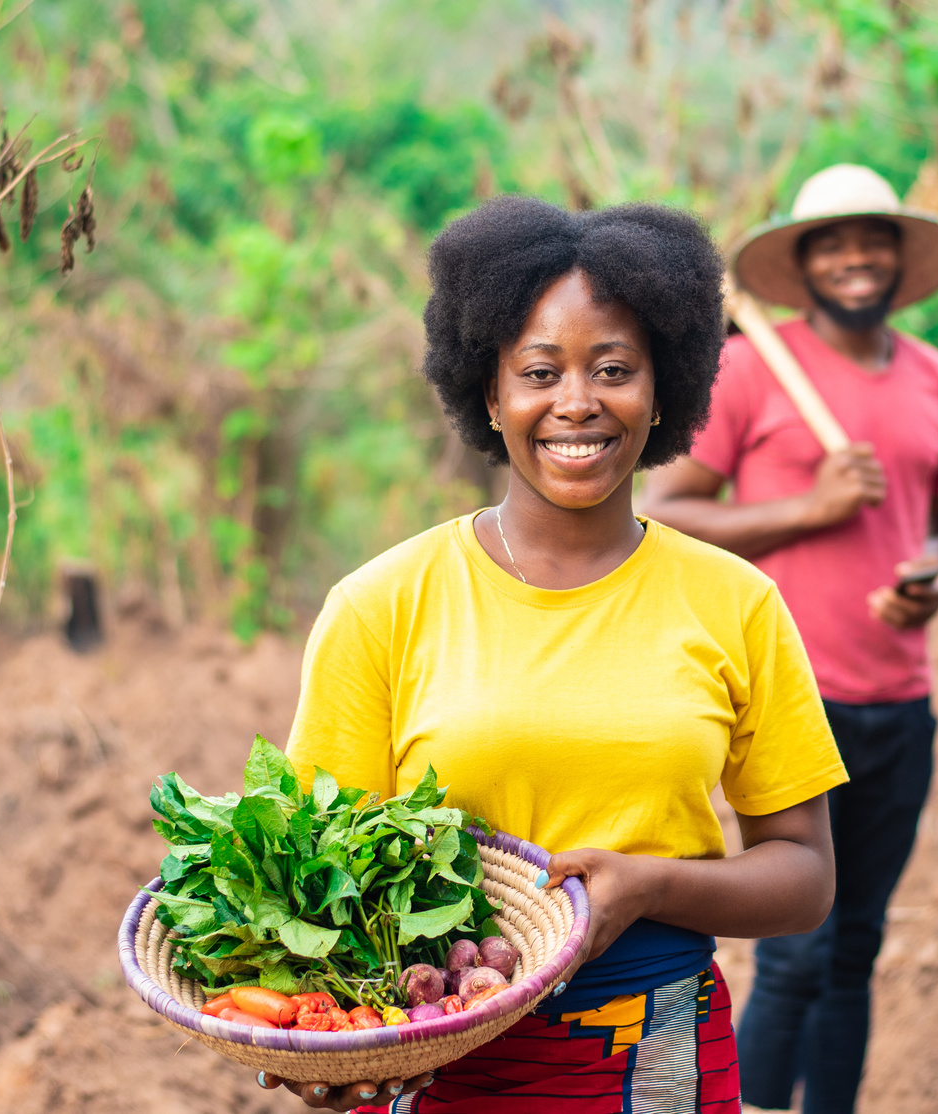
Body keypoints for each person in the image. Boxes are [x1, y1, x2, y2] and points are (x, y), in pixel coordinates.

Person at [260, 196, 849, 1113]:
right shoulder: (382, 605)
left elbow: (805, 878)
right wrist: (320, 1041)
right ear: (488, 393)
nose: (577, 402)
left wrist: (652, 885)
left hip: (653, 1057)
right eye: (539, 372)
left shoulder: (736, 603)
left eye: (614, 368)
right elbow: (312, 881)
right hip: (431, 1052)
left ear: (664, 390)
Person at [640, 164, 938, 1114]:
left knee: (857, 948)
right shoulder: (750, 370)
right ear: (801, 262)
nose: (854, 258)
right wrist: (810, 507)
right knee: (795, 958)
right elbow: (661, 511)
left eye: (871, 238)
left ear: (900, 257)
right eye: (830, 242)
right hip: (792, 705)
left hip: (900, 704)